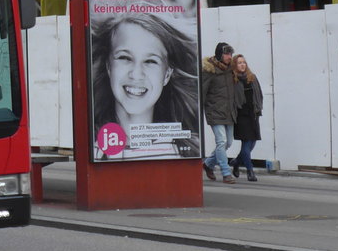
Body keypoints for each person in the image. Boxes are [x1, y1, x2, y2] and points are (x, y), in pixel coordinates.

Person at [91, 11, 199, 159]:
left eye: (150, 61)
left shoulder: (188, 151)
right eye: (124, 57)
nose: (136, 74)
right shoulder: (92, 148)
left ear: (167, 75)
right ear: (109, 66)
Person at [201, 41, 239, 184]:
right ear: (219, 55)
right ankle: (226, 173)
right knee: (221, 141)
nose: (229, 57)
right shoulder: (209, 71)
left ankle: (208, 164)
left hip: (229, 112)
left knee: (228, 142)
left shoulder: (230, 70)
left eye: (230, 54)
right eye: (227, 54)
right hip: (215, 112)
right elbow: (202, 93)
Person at [229, 53, 264, 181]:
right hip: (241, 115)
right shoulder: (232, 79)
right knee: (246, 143)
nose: (242, 65)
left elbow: (259, 94)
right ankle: (250, 171)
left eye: (244, 62)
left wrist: (258, 109)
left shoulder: (252, 77)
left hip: (253, 114)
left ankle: (236, 162)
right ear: (235, 65)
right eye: (239, 63)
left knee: (252, 143)